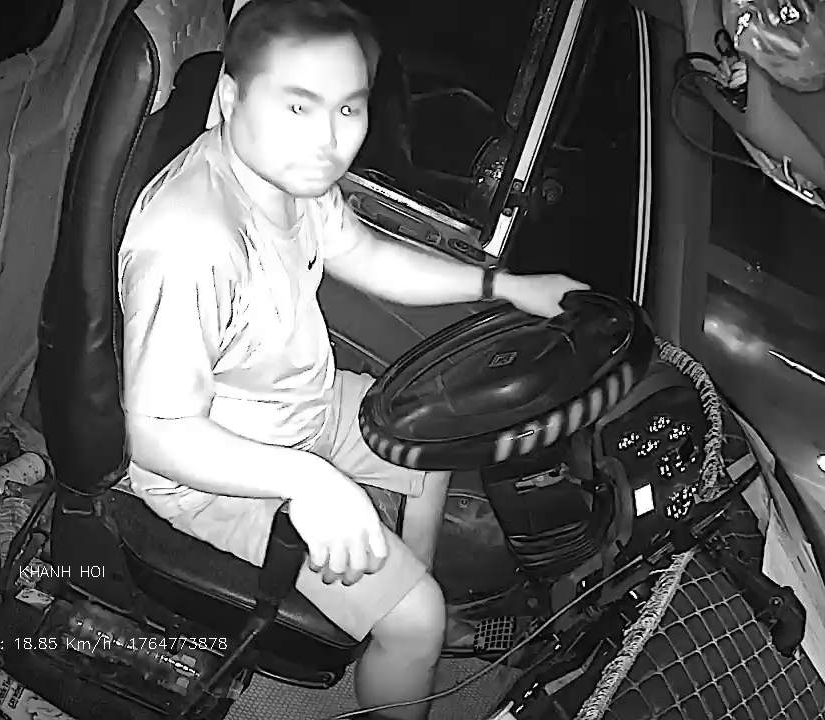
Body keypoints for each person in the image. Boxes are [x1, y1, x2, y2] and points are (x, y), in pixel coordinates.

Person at [118, 1, 588, 717]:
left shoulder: (287, 176)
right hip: (212, 471)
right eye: (298, 106)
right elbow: (157, 436)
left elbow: (366, 255)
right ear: (231, 97)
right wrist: (309, 481)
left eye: (348, 109)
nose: (328, 140)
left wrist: (507, 286)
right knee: (419, 619)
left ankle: (399, 617)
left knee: (431, 435)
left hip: (294, 407)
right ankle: (411, 626)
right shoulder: (191, 241)